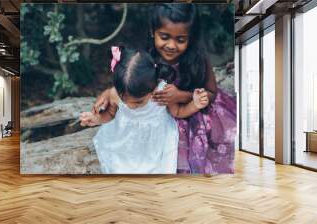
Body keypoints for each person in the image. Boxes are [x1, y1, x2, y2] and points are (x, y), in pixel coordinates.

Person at [92, 4, 236, 175]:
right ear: (153, 31)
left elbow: (212, 93)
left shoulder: (199, 59)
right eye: (164, 37)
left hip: (194, 110)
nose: (171, 45)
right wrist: (108, 94)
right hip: (158, 117)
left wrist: (181, 95)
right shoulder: (146, 57)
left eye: (180, 40)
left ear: (190, 37)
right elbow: (131, 82)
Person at [80, 46, 209, 174]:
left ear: (153, 88)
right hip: (125, 138)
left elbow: (178, 112)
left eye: (138, 102)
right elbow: (110, 114)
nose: (129, 105)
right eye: (123, 99)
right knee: (120, 167)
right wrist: (97, 119)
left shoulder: (162, 93)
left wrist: (195, 104)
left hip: (155, 141)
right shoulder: (115, 94)